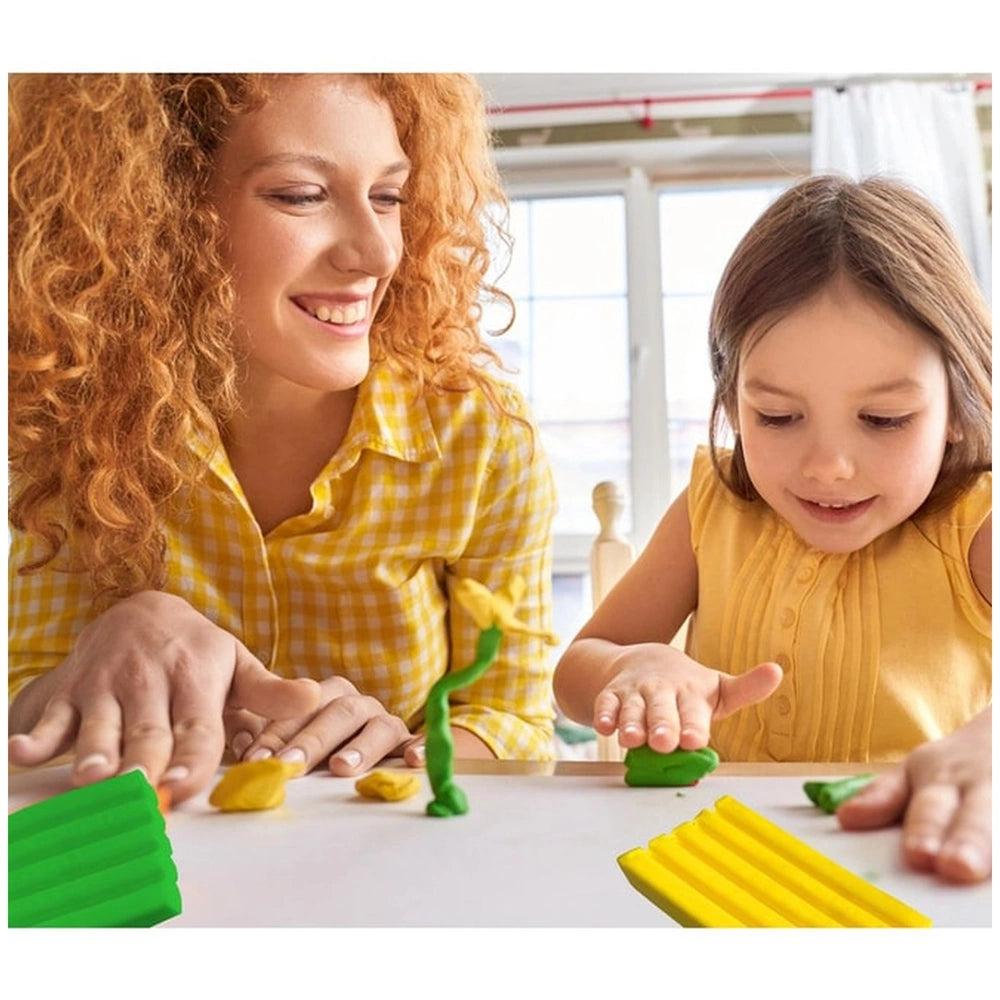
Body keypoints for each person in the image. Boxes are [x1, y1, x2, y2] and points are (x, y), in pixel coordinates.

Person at [8, 73, 557, 804]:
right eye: (302, 195)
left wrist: (399, 756)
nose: (378, 251)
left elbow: (515, 717)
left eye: (389, 197)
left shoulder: (482, 439)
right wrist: (114, 642)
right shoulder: (73, 427)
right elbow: (22, 716)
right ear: (158, 216)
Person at [554, 175, 991, 884]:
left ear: (960, 408)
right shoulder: (715, 504)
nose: (827, 467)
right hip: (715, 868)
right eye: (778, 417)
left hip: (907, 873)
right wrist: (630, 666)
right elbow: (575, 672)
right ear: (732, 399)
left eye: (884, 420)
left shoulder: (975, 523)